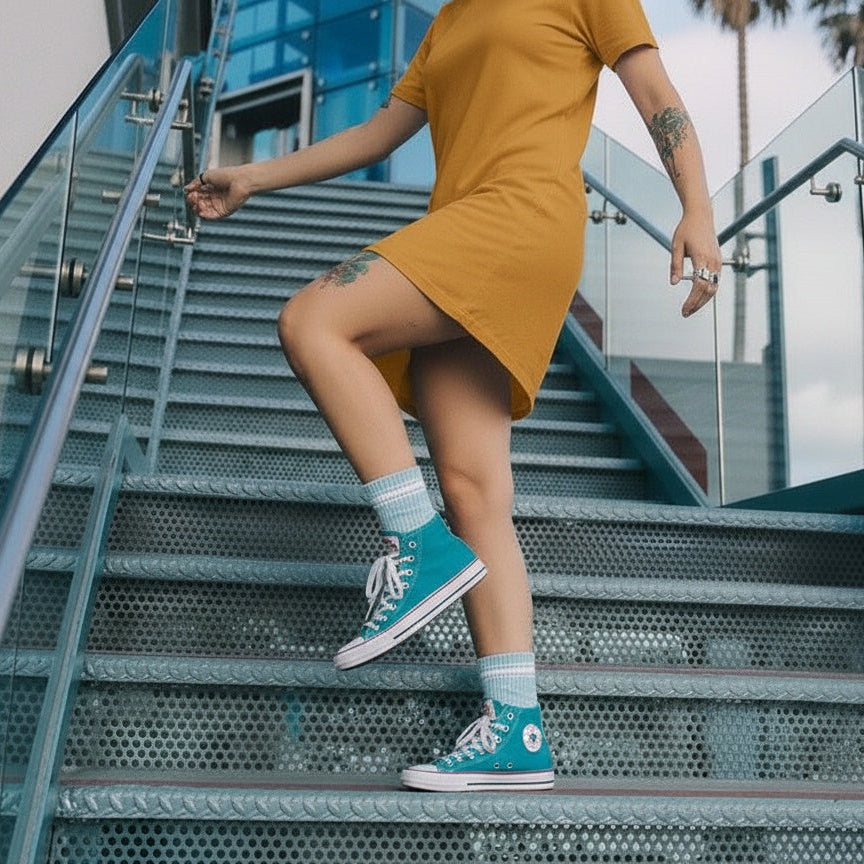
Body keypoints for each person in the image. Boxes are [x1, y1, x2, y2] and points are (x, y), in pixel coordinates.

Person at [185, 0, 722, 793]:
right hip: (467, 226)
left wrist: (698, 211)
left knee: (313, 319)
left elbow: (655, 95)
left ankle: (416, 542)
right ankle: (517, 725)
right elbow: (378, 136)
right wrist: (254, 175)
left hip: (522, 221)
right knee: (474, 494)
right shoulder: (446, 24)